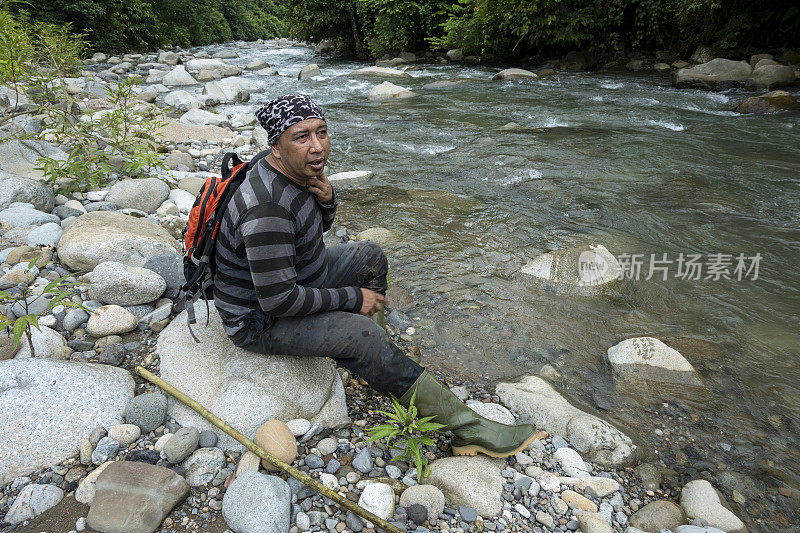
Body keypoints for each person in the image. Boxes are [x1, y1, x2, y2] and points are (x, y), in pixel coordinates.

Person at [212, 93, 536, 457]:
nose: (317, 147)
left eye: (321, 132)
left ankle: (377, 363)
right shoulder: (267, 206)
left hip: (301, 275)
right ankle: (469, 428)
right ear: (276, 147)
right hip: (259, 319)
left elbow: (309, 232)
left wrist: (327, 199)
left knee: (370, 255)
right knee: (360, 333)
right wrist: (354, 299)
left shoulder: (298, 173)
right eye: (301, 137)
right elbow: (279, 299)